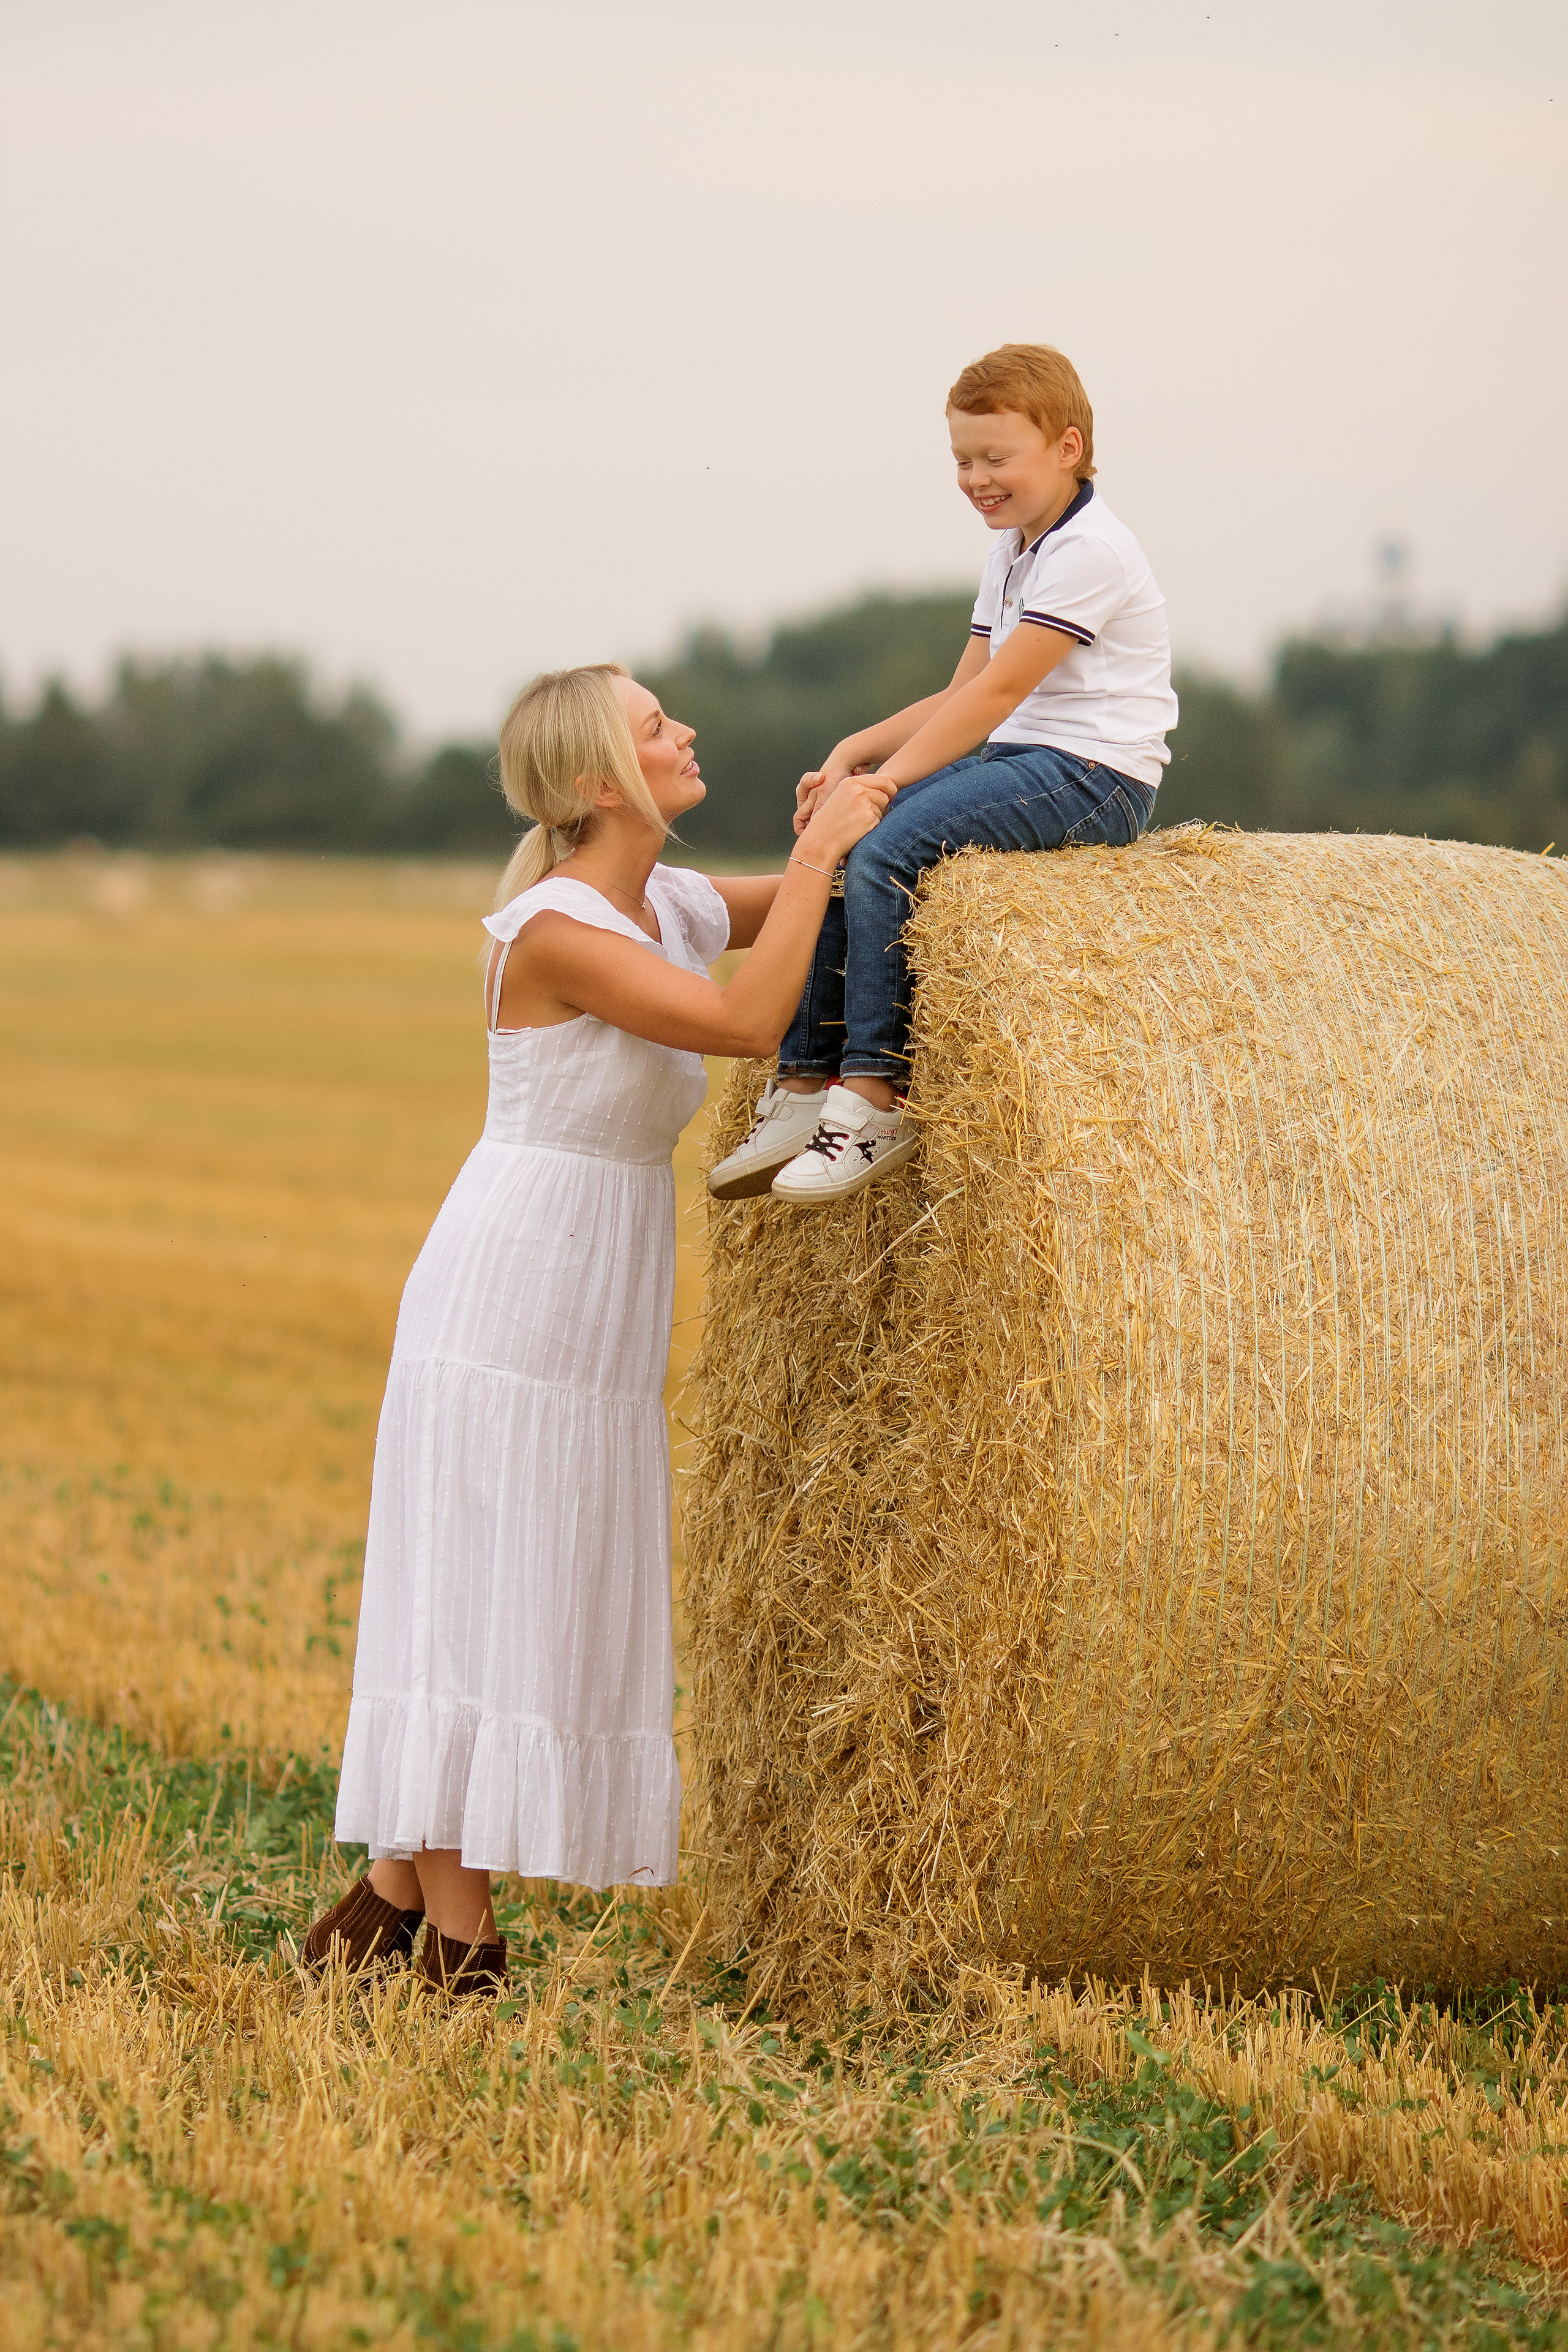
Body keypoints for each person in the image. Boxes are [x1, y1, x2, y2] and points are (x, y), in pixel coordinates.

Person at [301, 663, 889, 1995]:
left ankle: (383, 1905)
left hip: (596, 1292)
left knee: (530, 1587)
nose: (685, 733)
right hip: (509, 1291)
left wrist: (890, 816)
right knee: (479, 1599)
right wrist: (821, 855)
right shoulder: (554, 929)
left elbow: (831, 899)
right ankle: (461, 1947)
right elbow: (746, 1020)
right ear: (594, 782)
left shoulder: (668, 903)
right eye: (655, 726)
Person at [709, 342, 1178, 1205]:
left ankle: (875, 1097)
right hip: (1022, 758)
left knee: (882, 845)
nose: (976, 479)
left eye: (996, 458)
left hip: (1096, 774)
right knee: (836, 843)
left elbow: (998, 695)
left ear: (1067, 449)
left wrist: (881, 789)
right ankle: (804, 1085)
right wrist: (856, 752)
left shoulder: (1092, 552)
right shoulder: (1014, 548)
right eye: (963, 460)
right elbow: (963, 689)